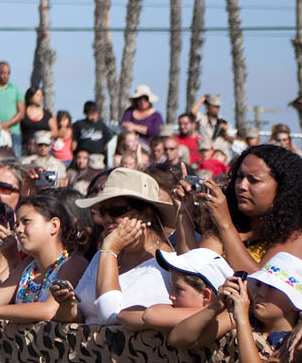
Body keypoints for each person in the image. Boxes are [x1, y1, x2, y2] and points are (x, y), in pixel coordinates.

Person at [0, 189, 89, 349]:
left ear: (53, 225)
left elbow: (48, 310)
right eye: (17, 224)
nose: (18, 229)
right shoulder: (27, 265)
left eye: (26, 221)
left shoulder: (74, 263)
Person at [56, 167, 176, 325]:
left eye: (116, 211)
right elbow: (82, 314)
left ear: (146, 214)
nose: (106, 218)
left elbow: (109, 317)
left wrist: (110, 251)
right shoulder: (105, 253)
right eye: (102, 211)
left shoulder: (163, 265)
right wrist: (67, 306)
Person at [192, 144, 302, 273]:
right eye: (239, 177)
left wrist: (226, 225)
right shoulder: (228, 224)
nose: (241, 186)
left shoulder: (294, 236)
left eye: (253, 180)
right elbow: (196, 271)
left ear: (282, 189)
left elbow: (258, 285)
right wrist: (183, 215)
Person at [169, 253, 302, 354]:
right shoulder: (240, 317)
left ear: (295, 302)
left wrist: (242, 320)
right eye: (259, 285)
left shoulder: (293, 342)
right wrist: (215, 307)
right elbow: (177, 339)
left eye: (271, 287)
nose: (260, 292)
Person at [109, 247, 231, 333]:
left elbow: (151, 315)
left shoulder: (222, 319)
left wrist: (212, 310)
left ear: (205, 296)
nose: (170, 296)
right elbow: (124, 315)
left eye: (178, 289)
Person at [72, 100, 116, 168]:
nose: (94, 115)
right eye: (91, 113)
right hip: (83, 157)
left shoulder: (102, 125)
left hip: (98, 157)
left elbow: (107, 144)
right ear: (86, 113)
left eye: (95, 113)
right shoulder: (79, 124)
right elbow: (74, 144)